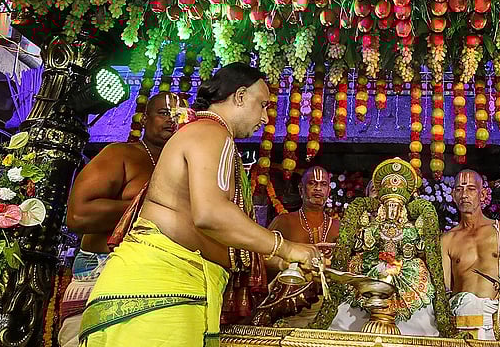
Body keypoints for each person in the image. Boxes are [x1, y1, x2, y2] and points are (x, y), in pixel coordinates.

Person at [79, 63, 321, 347]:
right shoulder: (211, 133)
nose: (265, 117)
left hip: (166, 294)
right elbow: (211, 214)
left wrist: (279, 260)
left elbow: (216, 230)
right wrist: (287, 247)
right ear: (240, 96)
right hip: (157, 293)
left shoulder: (208, 134)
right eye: (262, 104)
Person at [58, 92, 181, 347]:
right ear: (144, 119)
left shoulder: (185, 168)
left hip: (157, 281)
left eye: (179, 115)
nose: (173, 120)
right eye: (164, 113)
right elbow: (78, 214)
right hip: (101, 274)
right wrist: (150, 208)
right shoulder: (120, 155)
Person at [312, 158, 456, 337]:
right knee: (348, 319)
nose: (392, 210)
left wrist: (414, 245)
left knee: (418, 324)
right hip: (370, 269)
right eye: (388, 205)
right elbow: (359, 243)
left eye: (396, 206)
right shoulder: (370, 227)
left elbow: (418, 247)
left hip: (406, 275)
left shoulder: (409, 229)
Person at [442, 169, 500, 340]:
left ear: (482, 194)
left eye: (471, 189)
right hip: (461, 321)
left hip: (496, 318)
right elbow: (444, 291)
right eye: (459, 189)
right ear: (453, 195)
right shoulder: (448, 239)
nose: (464, 194)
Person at [266, 166, 340, 327]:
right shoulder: (284, 221)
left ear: (329, 191)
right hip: (288, 308)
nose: (318, 189)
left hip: (329, 309)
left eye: (323, 184)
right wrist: (285, 264)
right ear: (301, 189)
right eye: (312, 183)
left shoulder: (339, 227)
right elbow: (261, 257)